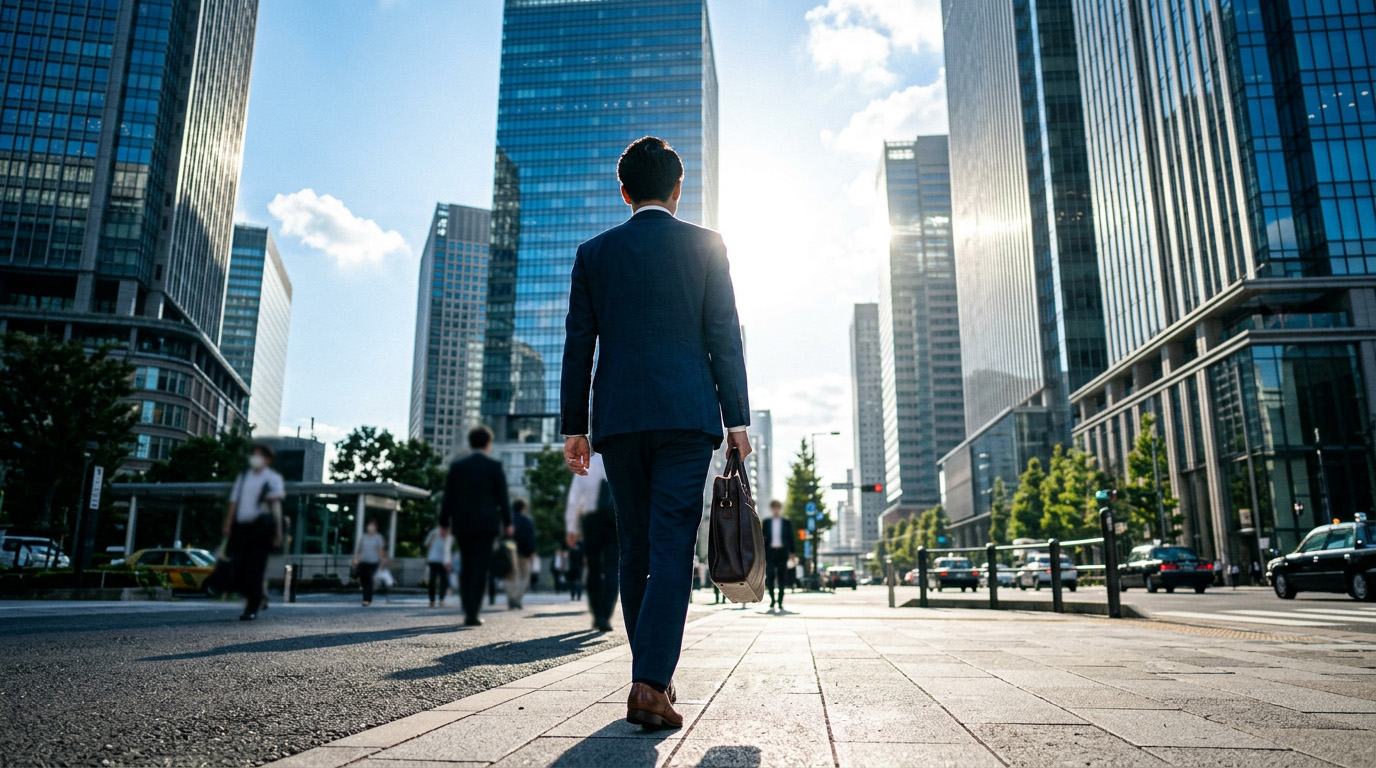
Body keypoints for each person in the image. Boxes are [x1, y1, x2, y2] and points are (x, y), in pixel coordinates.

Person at [561, 136, 750, 730]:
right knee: (671, 549)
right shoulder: (707, 245)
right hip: (687, 416)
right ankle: (649, 684)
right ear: (677, 189)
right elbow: (725, 333)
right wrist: (736, 420)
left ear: (624, 192)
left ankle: (650, 680)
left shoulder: (594, 254)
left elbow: (578, 345)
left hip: (618, 419)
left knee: (635, 548)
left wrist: (575, 427)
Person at [442, 425, 513, 627]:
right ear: (488, 444)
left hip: (462, 523)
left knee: (467, 566)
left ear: (470, 443)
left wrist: (443, 522)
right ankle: (472, 613)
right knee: (481, 567)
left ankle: (467, 607)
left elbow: (449, 497)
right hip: (487, 524)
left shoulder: (457, 466)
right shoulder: (494, 466)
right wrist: (507, 522)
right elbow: (503, 498)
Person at [222, 444, 285, 621]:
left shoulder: (273, 479)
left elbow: (276, 507)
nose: (255, 459)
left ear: (267, 459)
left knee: (256, 568)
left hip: (261, 529)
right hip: (241, 527)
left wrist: (278, 532)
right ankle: (259, 595)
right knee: (239, 565)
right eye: (254, 455)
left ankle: (252, 606)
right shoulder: (243, 478)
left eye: (260, 456)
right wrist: (228, 525)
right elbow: (234, 502)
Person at [566, 452, 618, 632]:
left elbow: (574, 497)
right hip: (615, 521)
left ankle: (598, 614)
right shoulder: (619, 457)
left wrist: (571, 527)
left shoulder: (587, 462)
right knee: (613, 568)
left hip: (592, 520)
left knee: (594, 568)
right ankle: (606, 615)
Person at [761, 501, 795, 612]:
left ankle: (780, 602)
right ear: (772, 509)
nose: (775, 510)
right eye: (773, 508)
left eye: (777, 508)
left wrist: (792, 553)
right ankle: (772, 600)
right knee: (770, 576)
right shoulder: (766, 522)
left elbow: (791, 538)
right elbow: (762, 538)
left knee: (782, 577)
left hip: (782, 553)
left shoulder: (786, 522)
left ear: (779, 509)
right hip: (770, 552)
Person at [506, 499, 536, 610]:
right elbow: (531, 538)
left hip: (509, 550)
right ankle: (517, 599)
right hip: (524, 552)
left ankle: (511, 597)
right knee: (525, 576)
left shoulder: (509, 520)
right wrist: (532, 552)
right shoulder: (527, 520)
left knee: (511, 576)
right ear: (523, 508)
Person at [353, 520, 387, 607]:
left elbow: (380, 550)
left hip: (373, 562)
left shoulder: (378, 537)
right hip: (363, 561)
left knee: (369, 579)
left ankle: (367, 599)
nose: (370, 527)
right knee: (363, 580)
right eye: (369, 525)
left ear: (375, 527)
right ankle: (365, 597)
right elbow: (359, 549)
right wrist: (356, 559)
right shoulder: (364, 537)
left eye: (372, 526)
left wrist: (382, 560)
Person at [424, 522, 454, 607]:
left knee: (444, 580)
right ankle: (432, 600)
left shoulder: (449, 537)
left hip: (444, 561)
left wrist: (448, 562)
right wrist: (427, 557)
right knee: (432, 580)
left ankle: (441, 599)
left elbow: (448, 550)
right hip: (433, 560)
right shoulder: (434, 533)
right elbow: (427, 545)